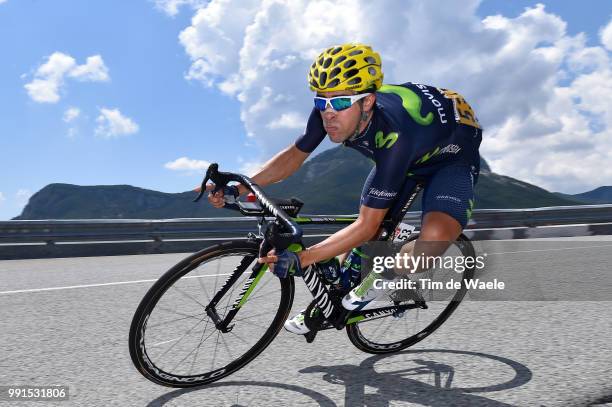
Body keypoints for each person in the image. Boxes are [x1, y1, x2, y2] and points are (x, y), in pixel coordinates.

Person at [203, 43, 482, 335]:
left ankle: (386, 275)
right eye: (321, 102)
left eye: (338, 103)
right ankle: (330, 299)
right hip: (406, 151)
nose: (328, 114)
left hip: (452, 156)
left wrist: (304, 257)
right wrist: (241, 186)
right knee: (356, 242)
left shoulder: (395, 136)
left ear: (368, 102)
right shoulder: (333, 110)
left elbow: (365, 225)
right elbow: (294, 157)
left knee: (432, 240)